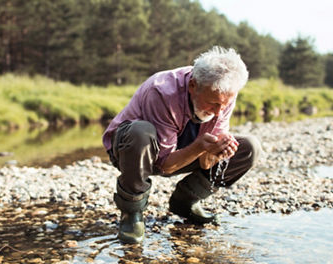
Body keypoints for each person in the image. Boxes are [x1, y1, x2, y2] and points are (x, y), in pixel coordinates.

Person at [102, 46, 261, 244]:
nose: (219, 112)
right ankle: (131, 213)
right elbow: (164, 165)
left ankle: (186, 201)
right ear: (193, 86)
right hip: (134, 151)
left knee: (249, 148)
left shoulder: (225, 92)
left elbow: (205, 163)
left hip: (179, 150)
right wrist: (200, 146)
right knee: (140, 132)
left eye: (225, 104)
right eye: (213, 103)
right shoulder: (161, 91)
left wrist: (216, 152)